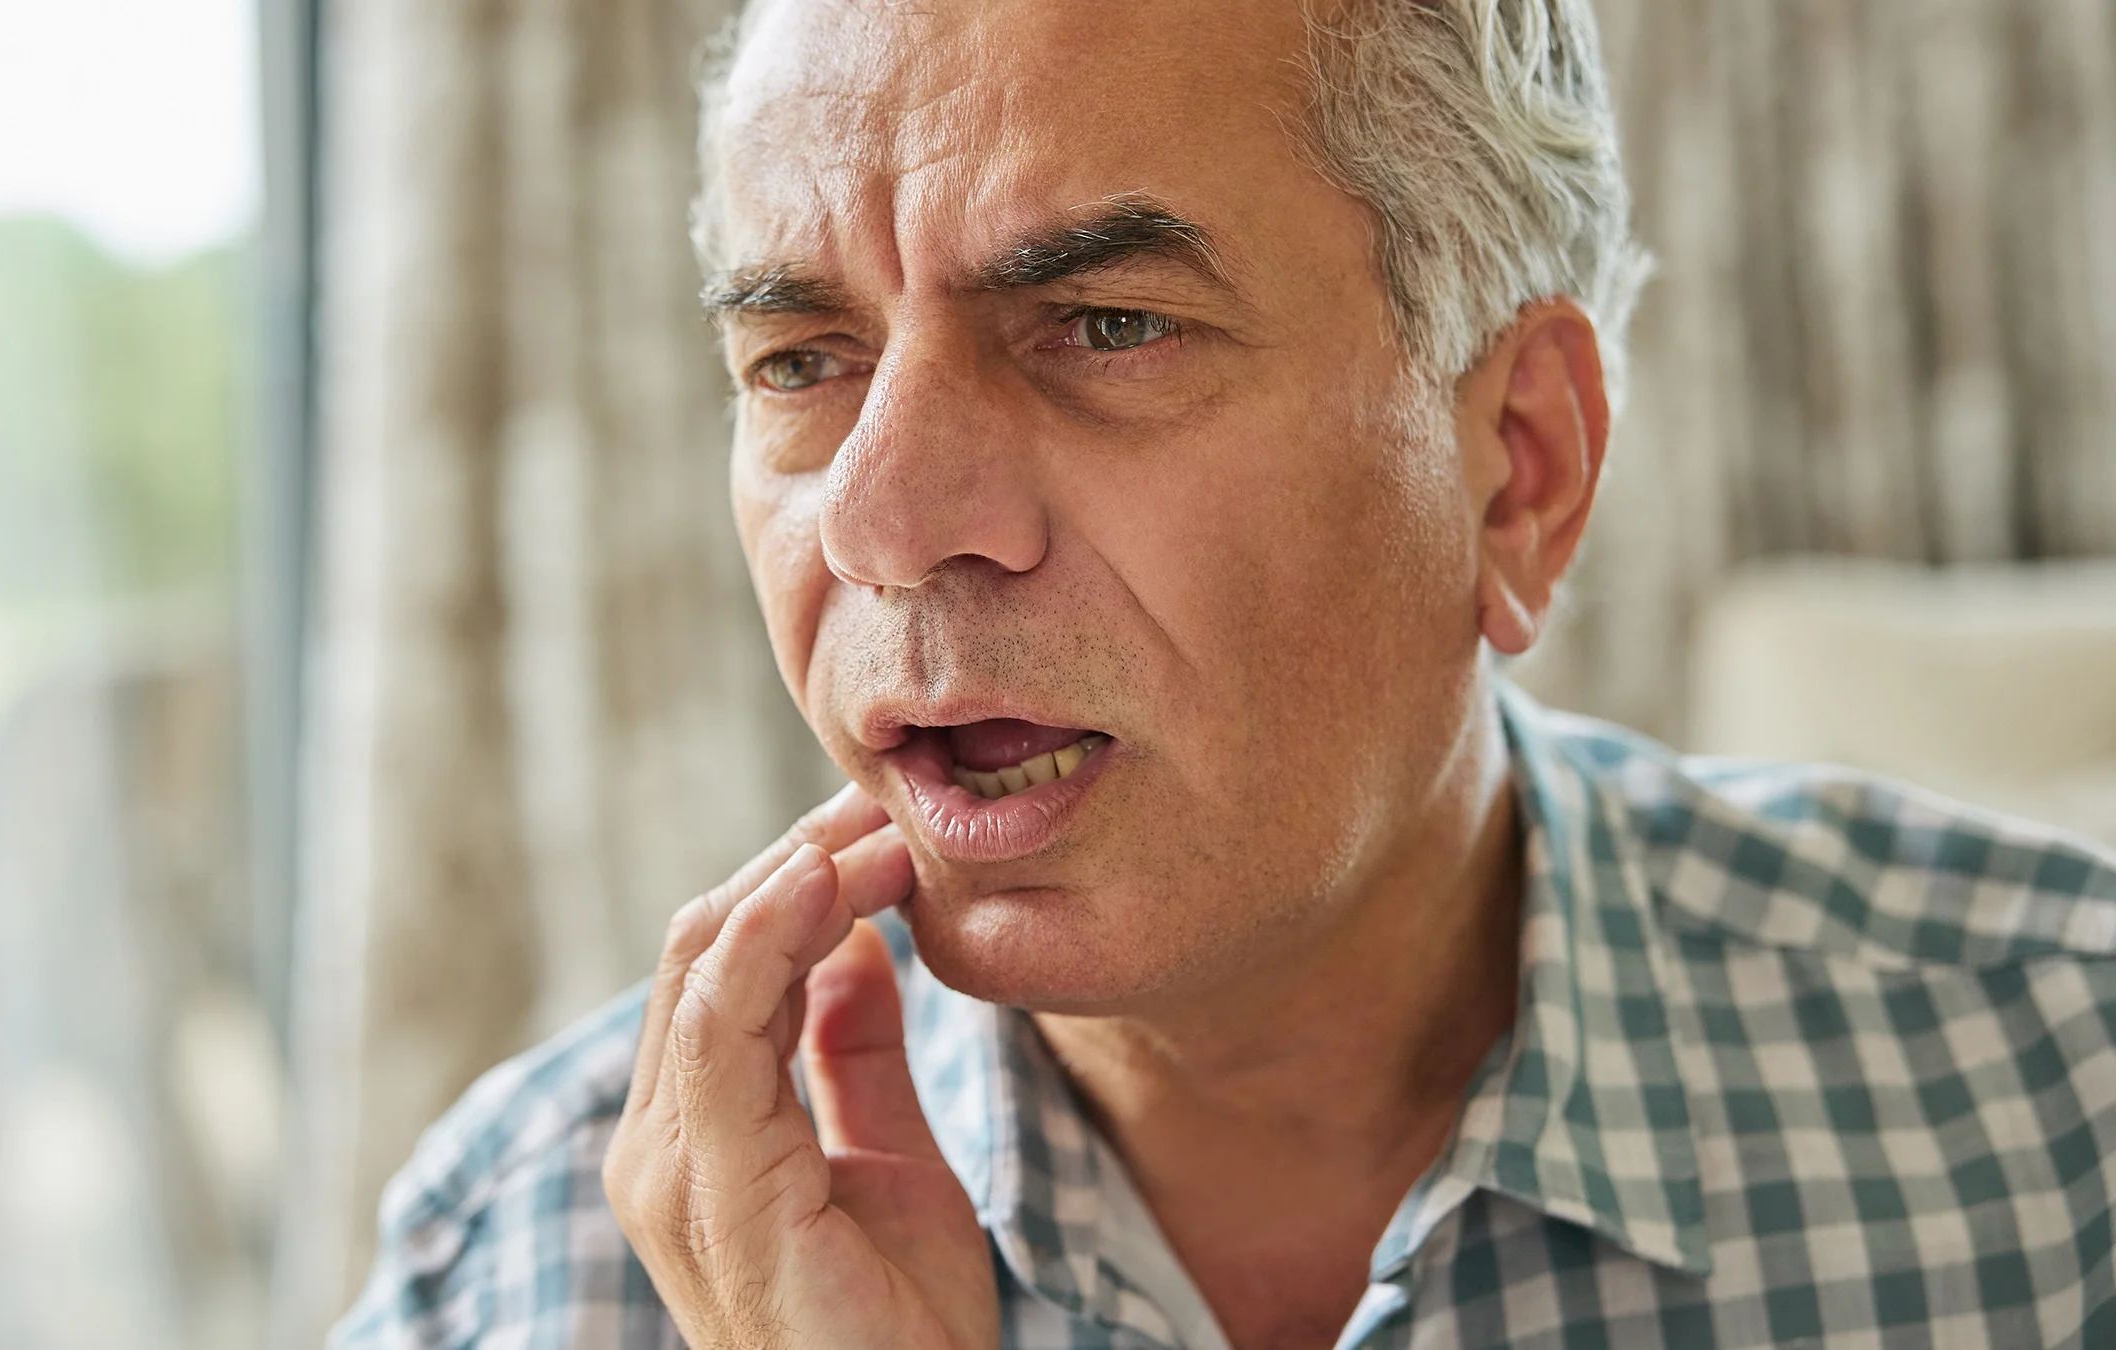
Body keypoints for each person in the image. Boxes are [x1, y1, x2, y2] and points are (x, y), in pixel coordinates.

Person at [332, 0, 2116, 1345]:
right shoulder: (513, 1259)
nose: (881, 519)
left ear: (1519, 469)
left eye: (1107, 327)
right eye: (803, 359)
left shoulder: (2067, 1087)